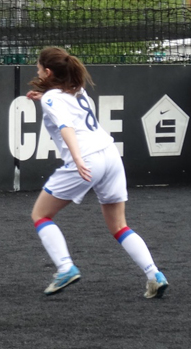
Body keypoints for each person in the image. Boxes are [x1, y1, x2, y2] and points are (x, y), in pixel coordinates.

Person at [25, 47, 169, 298]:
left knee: (40, 215)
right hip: (110, 154)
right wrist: (43, 97)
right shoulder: (75, 90)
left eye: (38, 68)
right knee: (119, 226)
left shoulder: (52, 98)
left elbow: (66, 126)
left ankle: (65, 267)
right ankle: (154, 274)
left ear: (48, 72)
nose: (36, 71)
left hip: (88, 159)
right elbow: (64, 106)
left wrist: (78, 159)